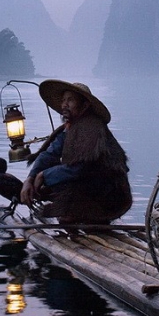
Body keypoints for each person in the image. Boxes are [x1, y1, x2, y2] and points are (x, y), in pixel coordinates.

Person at [19, 80, 132, 224]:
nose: (64, 104)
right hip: (89, 189)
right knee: (48, 181)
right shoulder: (69, 128)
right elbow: (50, 154)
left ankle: (78, 214)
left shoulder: (92, 128)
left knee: (60, 188)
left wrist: (44, 175)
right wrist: (31, 178)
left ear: (84, 106)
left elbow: (82, 168)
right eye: (63, 100)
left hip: (108, 197)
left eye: (70, 100)